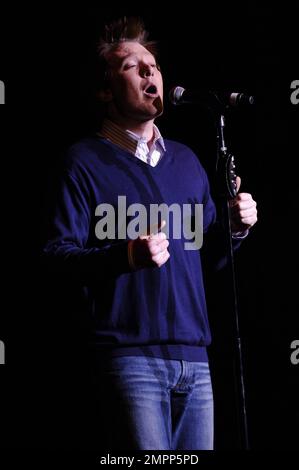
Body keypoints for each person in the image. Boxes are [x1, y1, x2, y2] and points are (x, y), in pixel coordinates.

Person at [43, 16, 257, 450]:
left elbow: (208, 257)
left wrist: (233, 229)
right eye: (131, 66)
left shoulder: (187, 161)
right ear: (105, 91)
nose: (149, 71)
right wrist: (124, 256)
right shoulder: (83, 161)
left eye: (153, 65)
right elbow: (54, 257)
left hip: (195, 361)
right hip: (129, 357)